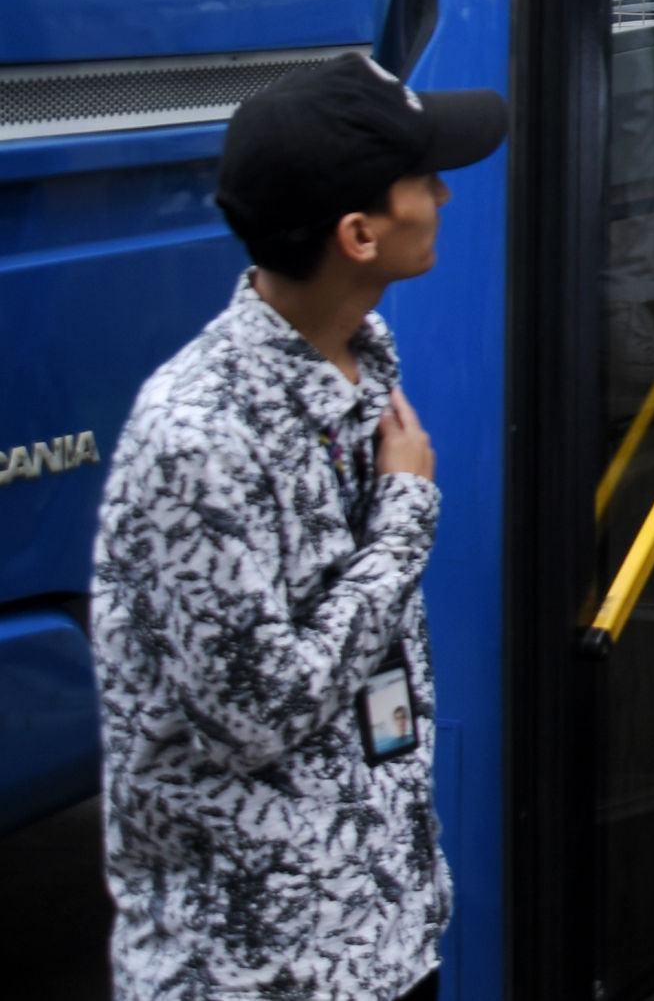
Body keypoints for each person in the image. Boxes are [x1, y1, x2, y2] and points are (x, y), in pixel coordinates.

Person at [90, 52, 509, 1001]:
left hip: (380, 939)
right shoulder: (198, 435)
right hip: (260, 970)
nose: (444, 192)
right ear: (359, 234)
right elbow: (257, 711)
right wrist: (403, 522)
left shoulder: (359, 361)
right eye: (422, 177)